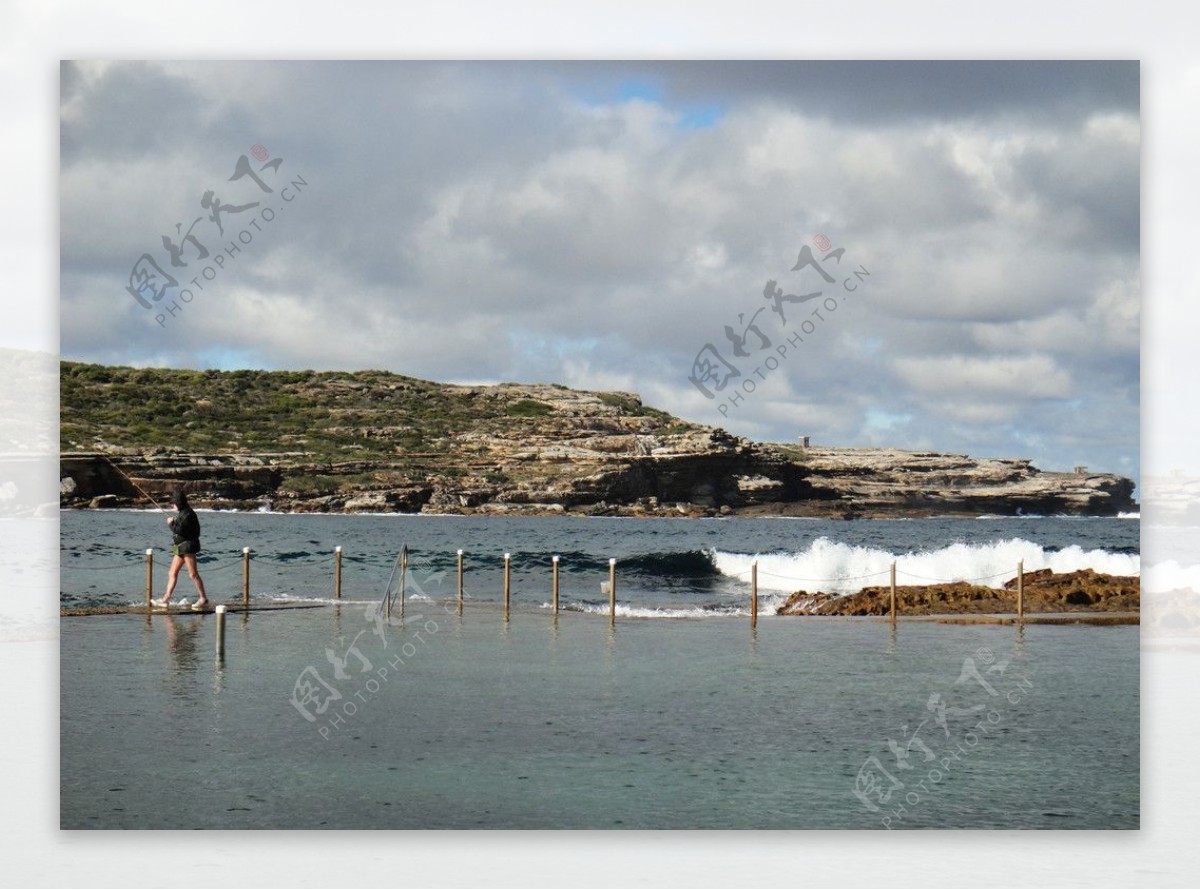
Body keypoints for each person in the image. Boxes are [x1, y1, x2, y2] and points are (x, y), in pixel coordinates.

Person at [152, 487, 210, 611]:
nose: (172, 505)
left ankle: (203, 598)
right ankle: (165, 600)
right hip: (180, 548)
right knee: (172, 573)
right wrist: (174, 522)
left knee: (193, 574)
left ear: (178, 503)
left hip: (188, 548)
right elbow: (180, 529)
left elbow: (179, 530)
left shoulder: (188, 514)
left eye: (174, 503)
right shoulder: (183, 513)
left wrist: (170, 524)